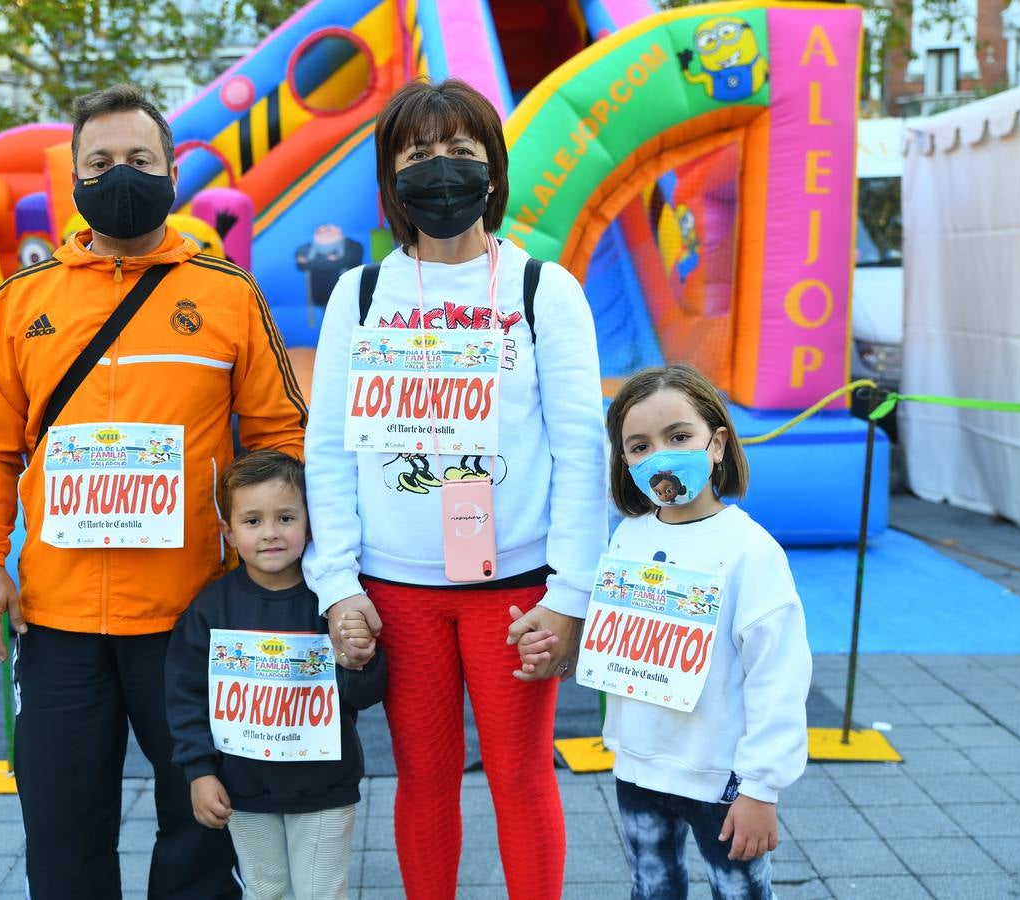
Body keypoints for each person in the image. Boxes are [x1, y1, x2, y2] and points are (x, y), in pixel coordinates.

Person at [0, 83, 307, 900]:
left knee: (203, 822)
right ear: (71, 178)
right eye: (101, 161)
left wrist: (272, 560)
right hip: (60, 619)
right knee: (62, 824)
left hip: (192, 613)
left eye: (140, 160)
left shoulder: (228, 298)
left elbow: (281, 438)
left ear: (172, 172)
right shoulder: (22, 304)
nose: (121, 174)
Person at [303, 78, 607, 900]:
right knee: (423, 779)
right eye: (419, 155)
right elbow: (327, 449)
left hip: (516, 592)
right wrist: (336, 585)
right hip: (397, 591)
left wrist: (571, 597)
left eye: (461, 153)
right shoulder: (359, 296)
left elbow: (583, 452)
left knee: (521, 778)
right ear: (391, 177)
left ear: (494, 171)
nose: (441, 171)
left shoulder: (545, 291)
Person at [568, 362, 809, 900]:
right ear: (622, 459)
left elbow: (780, 677)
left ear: (717, 443)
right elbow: (612, 642)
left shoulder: (751, 551)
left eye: (678, 436)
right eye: (638, 446)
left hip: (723, 778)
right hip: (637, 765)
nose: (658, 455)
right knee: (651, 887)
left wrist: (761, 788)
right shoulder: (626, 538)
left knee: (739, 891)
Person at [165, 450, 385, 900]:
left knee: (321, 892)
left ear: (311, 523)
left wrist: (359, 661)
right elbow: (186, 697)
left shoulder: (332, 602)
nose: (270, 533)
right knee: (265, 891)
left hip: (324, 789)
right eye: (252, 521)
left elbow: (363, 695)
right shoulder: (210, 610)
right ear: (228, 532)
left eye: (285, 518)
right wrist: (199, 771)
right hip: (242, 789)